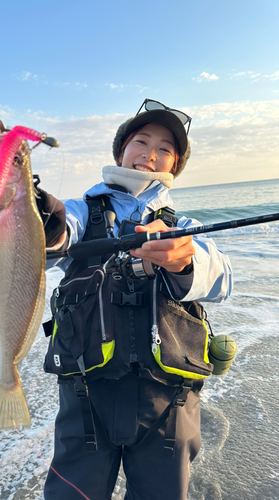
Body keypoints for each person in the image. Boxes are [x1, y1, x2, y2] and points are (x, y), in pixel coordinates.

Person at [41, 99, 233, 500]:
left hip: (170, 398)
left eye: (165, 148)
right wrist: (36, 212)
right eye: (141, 141)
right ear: (120, 151)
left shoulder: (183, 226)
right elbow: (54, 236)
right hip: (86, 393)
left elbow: (222, 281)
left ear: (174, 165)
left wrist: (185, 259)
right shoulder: (80, 211)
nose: (150, 153)